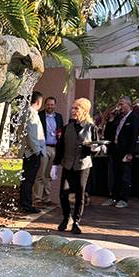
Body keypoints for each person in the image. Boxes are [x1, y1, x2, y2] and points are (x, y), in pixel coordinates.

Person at [53, 98, 100, 234]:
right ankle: (66, 217)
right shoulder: (68, 128)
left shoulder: (92, 128)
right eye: (72, 108)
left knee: (80, 194)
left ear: (84, 110)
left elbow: (97, 149)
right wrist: (55, 165)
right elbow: (60, 147)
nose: (73, 111)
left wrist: (94, 148)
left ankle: (76, 221)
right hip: (68, 164)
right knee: (63, 193)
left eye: (76, 108)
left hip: (83, 165)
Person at [102, 96, 139, 208]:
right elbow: (108, 133)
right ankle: (114, 197)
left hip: (125, 151)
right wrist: (111, 119)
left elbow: (133, 137)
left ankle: (124, 198)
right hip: (115, 150)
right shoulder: (118, 117)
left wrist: (130, 153)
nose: (120, 107)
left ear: (129, 105)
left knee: (125, 175)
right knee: (116, 175)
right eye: (119, 104)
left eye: (122, 104)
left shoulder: (134, 118)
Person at [33, 96, 64, 206]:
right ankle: (37, 199)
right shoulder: (39, 115)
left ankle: (46, 198)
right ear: (44, 105)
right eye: (48, 105)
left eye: (52, 105)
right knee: (40, 174)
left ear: (55, 105)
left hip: (54, 147)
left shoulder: (58, 117)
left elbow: (61, 130)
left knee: (49, 175)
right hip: (44, 147)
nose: (50, 107)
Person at [18, 91, 46, 214]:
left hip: (29, 152)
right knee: (28, 180)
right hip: (31, 152)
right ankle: (26, 204)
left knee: (26, 179)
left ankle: (24, 202)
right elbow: (32, 134)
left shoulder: (27, 112)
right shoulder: (31, 113)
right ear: (39, 102)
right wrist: (36, 151)